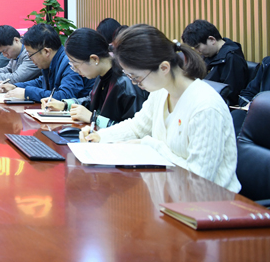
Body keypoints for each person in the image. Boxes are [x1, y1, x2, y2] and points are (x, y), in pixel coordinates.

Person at [82, 24, 240, 192]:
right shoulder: (161, 91)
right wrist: (100, 136)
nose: (135, 84)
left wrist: (152, 147)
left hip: (210, 202)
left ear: (164, 68)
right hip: (169, 192)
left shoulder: (205, 107)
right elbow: (137, 127)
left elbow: (199, 179)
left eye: (137, 78)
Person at [42, 28, 148, 128]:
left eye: (76, 65)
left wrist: (94, 119)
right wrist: (65, 105)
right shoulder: (102, 74)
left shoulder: (127, 83)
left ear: (94, 59)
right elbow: (91, 101)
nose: (75, 70)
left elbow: (134, 130)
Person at [1, 24, 93, 101]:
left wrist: (27, 93)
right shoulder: (52, 61)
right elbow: (41, 82)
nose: (30, 58)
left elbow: (66, 96)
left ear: (46, 51)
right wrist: (15, 86)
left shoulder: (69, 63)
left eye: (31, 54)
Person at [181, 19, 250, 105]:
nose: (197, 51)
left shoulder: (232, 57)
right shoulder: (210, 54)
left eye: (197, 47)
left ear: (212, 39)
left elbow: (231, 94)